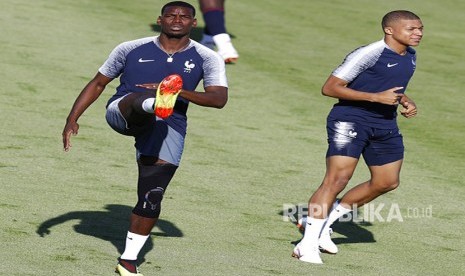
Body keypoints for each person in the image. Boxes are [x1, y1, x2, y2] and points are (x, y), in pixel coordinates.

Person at [62, 1, 228, 275]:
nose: (177, 20)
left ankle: (128, 260)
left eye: (184, 16)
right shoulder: (130, 48)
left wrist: (178, 93)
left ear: (194, 23)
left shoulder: (207, 57)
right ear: (160, 20)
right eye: (171, 15)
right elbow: (98, 83)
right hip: (123, 111)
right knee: (141, 99)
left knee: (152, 195)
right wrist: (72, 118)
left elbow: (218, 99)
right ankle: (153, 102)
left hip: (168, 125)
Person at [293, 10, 423, 264]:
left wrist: (405, 100)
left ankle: (322, 224)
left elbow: (389, 86)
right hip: (350, 119)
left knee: (387, 182)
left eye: (420, 29)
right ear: (389, 30)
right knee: (337, 178)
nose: (418, 33)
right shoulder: (368, 53)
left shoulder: (410, 55)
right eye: (411, 29)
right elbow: (329, 88)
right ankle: (306, 245)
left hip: (384, 122)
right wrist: (376, 98)